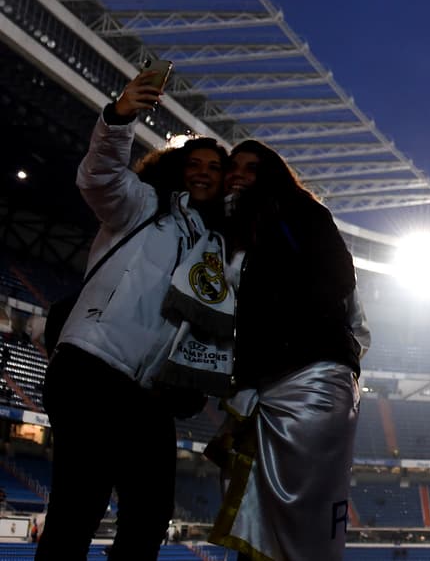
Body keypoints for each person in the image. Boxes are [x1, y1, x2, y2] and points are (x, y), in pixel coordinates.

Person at [38, 70, 228, 560]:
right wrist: (120, 117)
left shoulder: (219, 251)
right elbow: (98, 175)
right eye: (196, 163)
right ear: (180, 169)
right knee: (76, 511)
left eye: (215, 166)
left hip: (149, 392)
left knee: (149, 517)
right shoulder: (143, 204)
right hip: (92, 367)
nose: (204, 171)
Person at [207, 139, 368, 561]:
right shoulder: (226, 236)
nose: (238, 173)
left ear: (272, 175)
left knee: (300, 517)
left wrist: (287, 333)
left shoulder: (303, 215)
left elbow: (341, 289)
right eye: (233, 166)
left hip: (310, 379)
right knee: (255, 511)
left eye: (252, 167)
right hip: (260, 386)